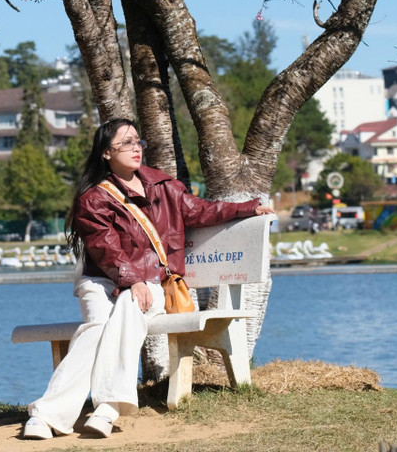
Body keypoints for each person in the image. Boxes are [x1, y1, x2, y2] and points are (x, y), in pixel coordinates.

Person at [21, 118, 273, 440]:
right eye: (125, 143)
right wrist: (130, 279)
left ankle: (69, 412)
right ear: (105, 153)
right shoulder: (93, 200)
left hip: (153, 283)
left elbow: (202, 211)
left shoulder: (164, 186)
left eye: (138, 141)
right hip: (101, 283)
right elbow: (105, 250)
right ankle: (99, 408)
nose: (136, 148)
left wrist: (250, 208)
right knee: (99, 328)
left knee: (126, 305)